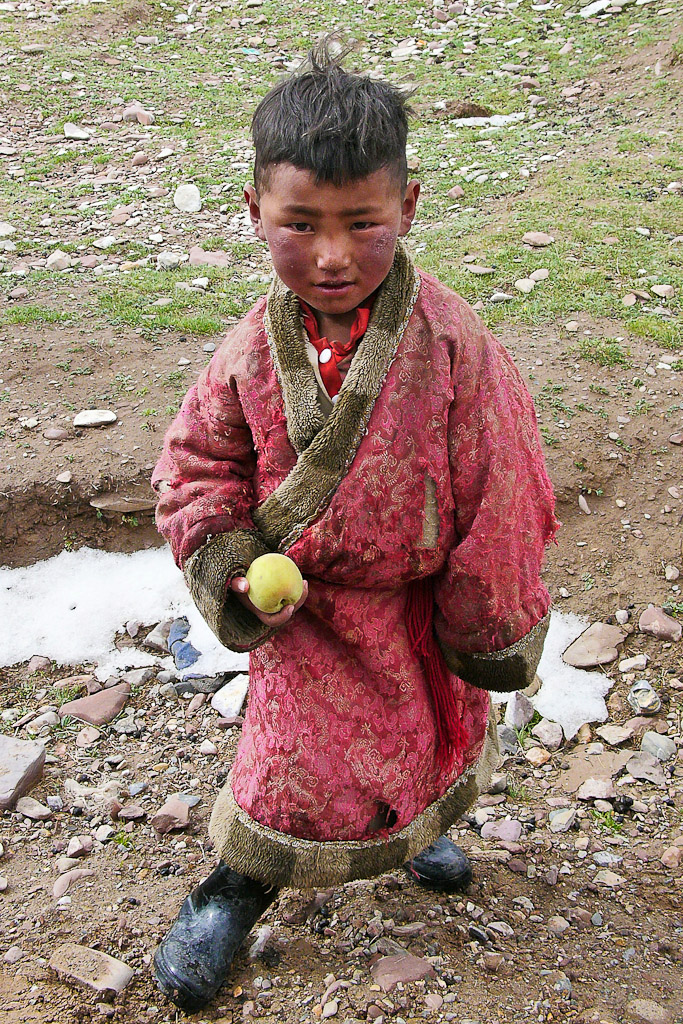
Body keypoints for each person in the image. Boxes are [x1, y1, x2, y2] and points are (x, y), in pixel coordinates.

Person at [151, 39, 558, 1013]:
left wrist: (484, 622)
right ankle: (236, 885)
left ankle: (411, 831)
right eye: (299, 224)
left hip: (415, 613)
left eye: (360, 223)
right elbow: (194, 465)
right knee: (284, 768)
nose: (331, 255)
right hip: (306, 620)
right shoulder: (250, 350)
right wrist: (234, 564)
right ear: (254, 212)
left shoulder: (456, 346)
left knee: (424, 740)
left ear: (406, 207)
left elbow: (506, 484)